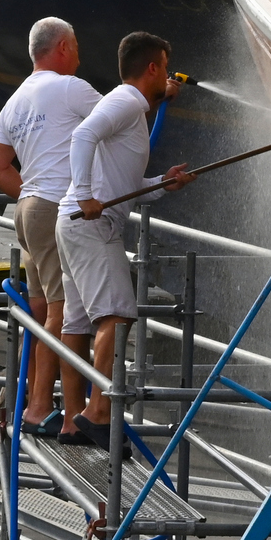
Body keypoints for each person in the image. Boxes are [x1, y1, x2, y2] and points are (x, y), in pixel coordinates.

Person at [57, 32, 194, 447]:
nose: (169, 79)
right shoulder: (127, 100)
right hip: (91, 225)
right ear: (152, 68)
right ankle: (98, 412)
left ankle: (73, 421)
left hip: (77, 225)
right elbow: (83, 137)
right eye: (166, 69)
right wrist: (85, 194)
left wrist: (163, 183)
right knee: (116, 317)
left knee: (79, 323)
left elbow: (129, 186)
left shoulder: (134, 108)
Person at [0, 18, 102, 436]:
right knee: (64, 310)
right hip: (52, 209)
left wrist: (31, 196)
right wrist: (157, 98)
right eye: (78, 47)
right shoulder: (72, 89)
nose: (80, 56)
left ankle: (36, 403)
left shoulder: (15, 101)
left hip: (28, 209)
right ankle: (46, 411)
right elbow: (119, 122)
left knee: (38, 308)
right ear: (64, 46)